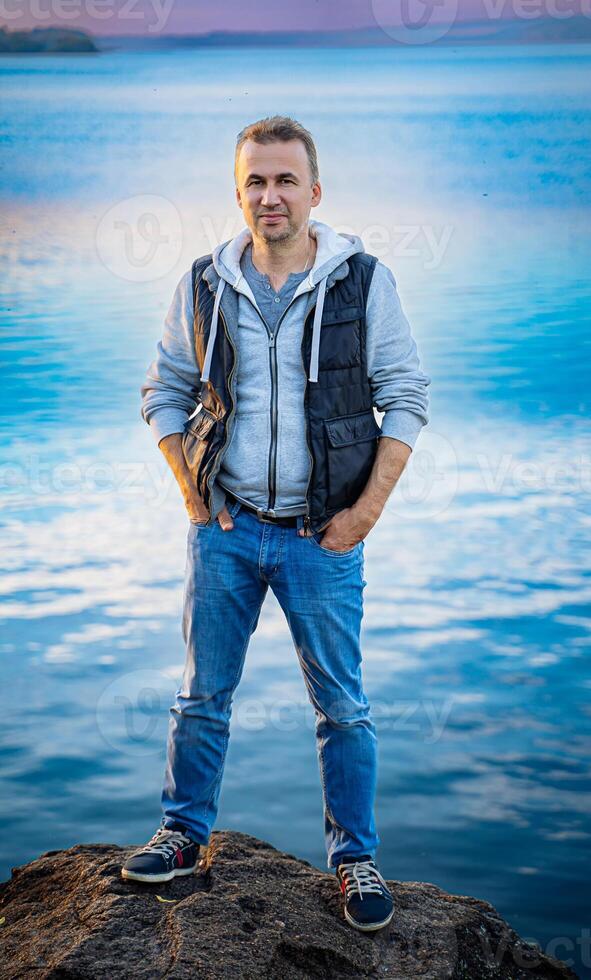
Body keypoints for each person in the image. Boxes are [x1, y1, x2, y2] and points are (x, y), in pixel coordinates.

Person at [123, 115, 431, 932]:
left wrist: (360, 516)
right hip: (225, 530)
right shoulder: (202, 283)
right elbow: (164, 393)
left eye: (285, 179)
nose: (270, 195)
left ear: (314, 192)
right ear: (238, 193)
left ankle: (354, 860)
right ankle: (183, 834)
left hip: (319, 536)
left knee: (342, 706)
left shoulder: (362, 282)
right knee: (200, 698)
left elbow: (405, 398)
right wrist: (193, 495)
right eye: (255, 181)